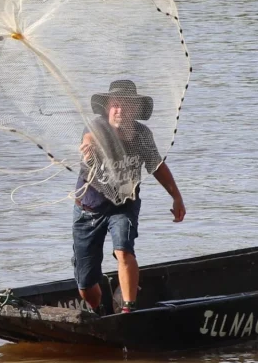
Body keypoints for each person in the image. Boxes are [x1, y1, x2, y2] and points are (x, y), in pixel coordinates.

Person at [72, 80, 185, 315]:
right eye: (115, 105)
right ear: (107, 108)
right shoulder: (97, 127)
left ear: (135, 110)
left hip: (124, 204)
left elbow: (156, 166)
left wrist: (176, 197)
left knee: (123, 250)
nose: (120, 110)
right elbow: (88, 141)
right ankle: (99, 312)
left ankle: (128, 311)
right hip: (89, 208)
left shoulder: (142, 135)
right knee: (86, 286)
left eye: (126, 105)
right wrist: (87, 149)